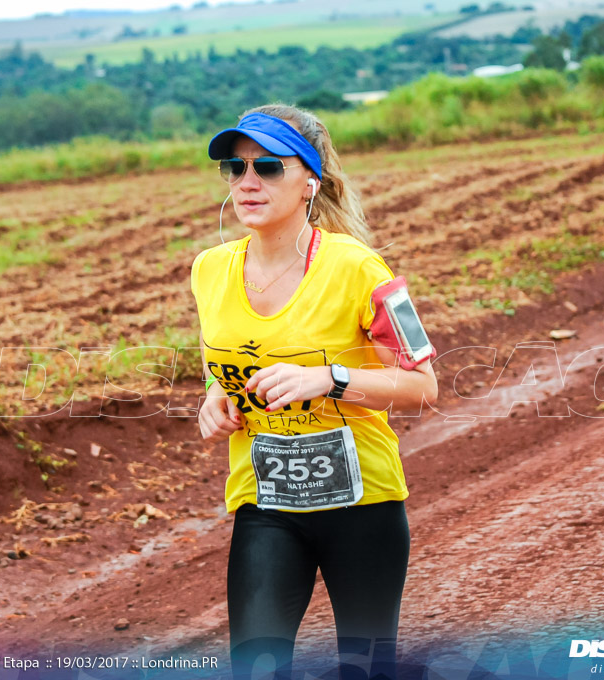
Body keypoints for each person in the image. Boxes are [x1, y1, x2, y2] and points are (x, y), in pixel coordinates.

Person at [189, 103, 439, 680]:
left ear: (309, 182)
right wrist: (213, 397)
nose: (247, 182)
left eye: (269, 168)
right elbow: (218, 359)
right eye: (235, 167)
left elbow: (424, 385)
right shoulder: (209, 269)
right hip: (267, 503)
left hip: (363, 505)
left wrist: (332, 378)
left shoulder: (362, 269)